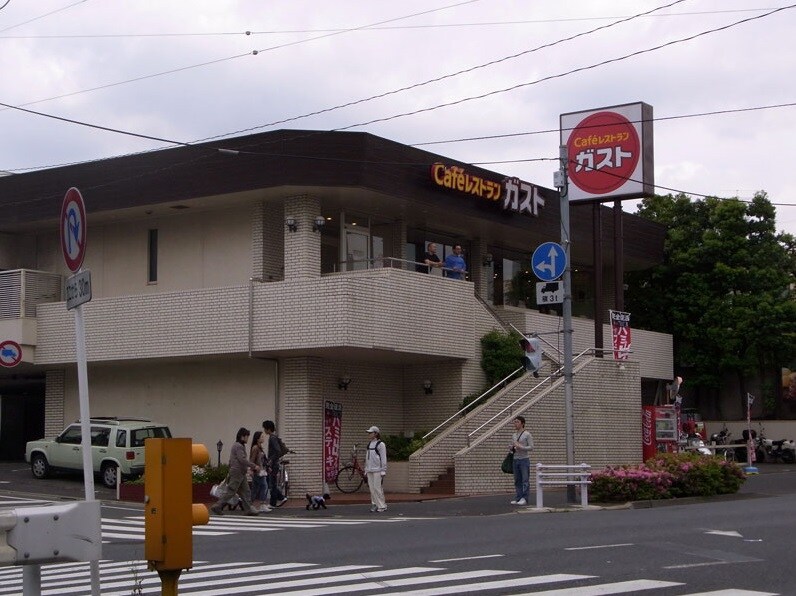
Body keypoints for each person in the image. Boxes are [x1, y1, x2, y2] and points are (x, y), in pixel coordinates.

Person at [210, 427, 261, 516]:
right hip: (237, 472)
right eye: (247, 436)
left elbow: (232, 461)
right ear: (242, 436)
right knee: (231, 490)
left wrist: (245, 470)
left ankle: (248, 509)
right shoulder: (238, 446)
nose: (247, 439)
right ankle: (218, 505)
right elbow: (242, 460)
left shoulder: (238, 446)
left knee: (246, 491)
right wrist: (254, 466)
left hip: (239, 472)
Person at [262, 420, 289, 508]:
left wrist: (271, 460)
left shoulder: (272, 438)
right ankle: (280, 498)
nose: (264, 430)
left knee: (272, 483)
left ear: (268, 429)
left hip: (273, 464)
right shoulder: (274, 437)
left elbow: (277, 450)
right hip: (274, 463)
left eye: (265, 428)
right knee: (272, 483)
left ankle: (275, 502)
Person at [509, 415, 533, 506]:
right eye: (514, 422)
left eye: (517, 422)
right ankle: (518, 497)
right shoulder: (514, 435)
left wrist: (521, 447)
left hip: (524, 459)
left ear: (522, 424)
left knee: (525, 480)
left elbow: (531, 447)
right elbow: (514, 447)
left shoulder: (527, 434)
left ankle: (524, 498)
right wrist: (512, 447)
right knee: (517, 480)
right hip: (515, 459)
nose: (515, 424)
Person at [364, 425, 388, 512]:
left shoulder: (381, 444)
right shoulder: (369, 444)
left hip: (377, 470)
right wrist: (366, 469)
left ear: (376, 433)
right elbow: (367, 457)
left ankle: (382, 505)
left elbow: (383, 458)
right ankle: (374, 504)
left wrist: (383, 470)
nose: (369, 434)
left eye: (371, 433)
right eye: (369, 433)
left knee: (377, 488)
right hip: (370, 470)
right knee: (372, 488)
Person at [249, 431, 272, 513]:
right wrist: (252, 469)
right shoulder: (255, 448)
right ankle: (262, 504)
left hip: (262, 470)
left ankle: (249, 504)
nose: (263, 438)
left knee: (255, 489)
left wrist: (267, 467)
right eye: (262, 437)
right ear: (257, 438)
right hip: (258, 471)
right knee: (264, 486)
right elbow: (252, 459)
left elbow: (263, 460)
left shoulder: (260, 447)